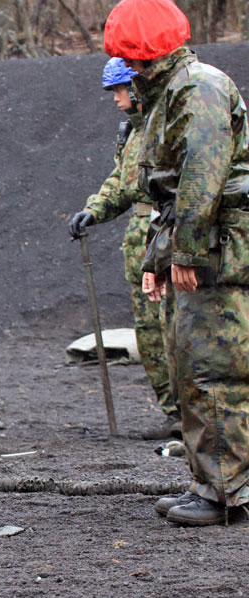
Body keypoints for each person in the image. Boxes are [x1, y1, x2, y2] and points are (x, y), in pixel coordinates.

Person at [104, 0, 249, 526]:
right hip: (201, 240)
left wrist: (186, 251)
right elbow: (163, 190)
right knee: (191, 364)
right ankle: (209, 482)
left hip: (218, 247)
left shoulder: (197, 87)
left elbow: (202, 177)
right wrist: (158, 257)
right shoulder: (170, 90)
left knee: (215, 367)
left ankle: (227, 492)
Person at [67, 57, 180, 441]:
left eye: (119, 90)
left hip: (171, 236)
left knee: (177, 329)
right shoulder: (133, 132)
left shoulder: (167, 123)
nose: (116, 99)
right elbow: (122, 180)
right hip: (141, 244)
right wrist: (93, 210)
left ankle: (195, 412)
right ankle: (175, 413)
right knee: (150, 333)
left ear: (137, 87)